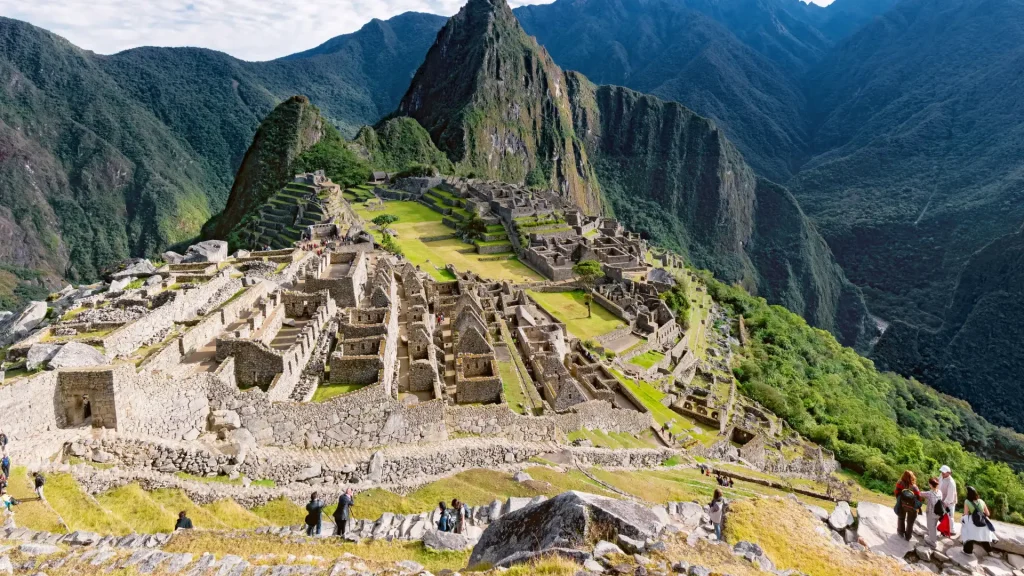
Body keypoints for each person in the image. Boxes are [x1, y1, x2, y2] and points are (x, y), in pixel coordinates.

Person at [961, 486, 996, 554]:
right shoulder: (981, 501)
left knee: (969, 536)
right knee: (984, 537)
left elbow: (966, 514)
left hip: (973, 523)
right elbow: (988, 513)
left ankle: (968, 552)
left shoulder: (967, 501)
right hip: (983, 523)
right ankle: (989, 551)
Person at [894, 470, 923, 541]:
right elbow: (919, 497)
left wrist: (900, 501)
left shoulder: (900, 483)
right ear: (912, 477)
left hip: (902, 505)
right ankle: (908, 537)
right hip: (912, 507)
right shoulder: (914, 487)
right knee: (910, 522)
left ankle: (900, 533)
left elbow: (896, 493)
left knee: (901, 518)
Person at [922, 477, 944, 545]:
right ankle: (932, 537)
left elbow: (920, 493)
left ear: (930, 485)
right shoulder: (940, 492)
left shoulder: (929, 493)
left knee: (931, 526)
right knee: (934, 525)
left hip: (931, 513)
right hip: (938, 513)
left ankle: (933, 541)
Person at [939, 465, 958, 536]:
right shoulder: (941, 476)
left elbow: (950, 496)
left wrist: (944, 504)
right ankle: (943, 529)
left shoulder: (951, 482)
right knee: (943, 516)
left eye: (944, 472)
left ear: (949, 473)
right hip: (941, 499)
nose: (942, 473)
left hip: (949, 502)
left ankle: (952, 531)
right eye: (942, 472)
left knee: (950, 516)